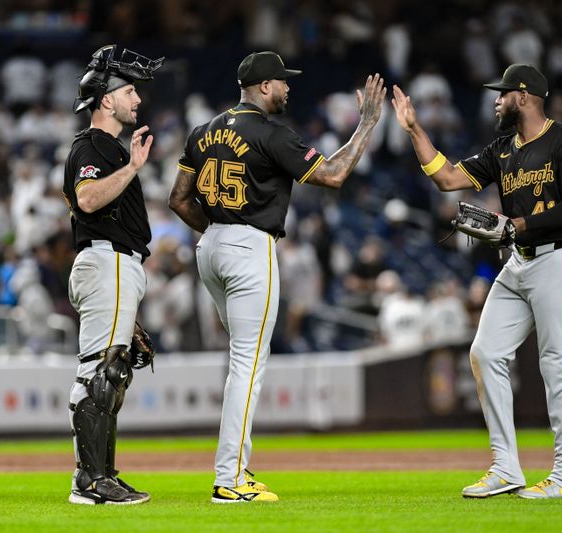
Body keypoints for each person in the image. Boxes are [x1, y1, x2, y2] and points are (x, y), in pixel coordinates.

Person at [169, 51, 385, 503]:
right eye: (283, 82)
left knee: (240, 362)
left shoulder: (203, 131)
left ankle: (232, 472)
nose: (288, 88)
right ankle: (230, 478)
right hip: (249, 246)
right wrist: (366, 123)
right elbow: (334, 173)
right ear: (264, 87)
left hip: (209, 248)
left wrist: (216, 233)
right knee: (248, 365)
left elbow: (179, 200)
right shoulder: (270, 133)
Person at [393, 64, 562, 499]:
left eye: (503, 93)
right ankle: (506, 466)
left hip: (560, 258)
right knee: (485, 352)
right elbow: (448, 179)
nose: (496, 99)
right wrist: (415, 131)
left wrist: (516, 225)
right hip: (519, 262)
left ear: (524, 96)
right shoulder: (502, 150)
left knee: (557, 367)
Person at [63, 44, 163, 506]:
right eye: (129, 90)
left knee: (114, 373)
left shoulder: (108, 147)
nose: (136, 99)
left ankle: (103, 475)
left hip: (117, 265)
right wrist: (134, 167)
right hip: (108, 260)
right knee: (99, 375)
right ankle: (89, 482)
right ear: (106, 99)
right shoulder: (92, 145)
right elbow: (87, 199)